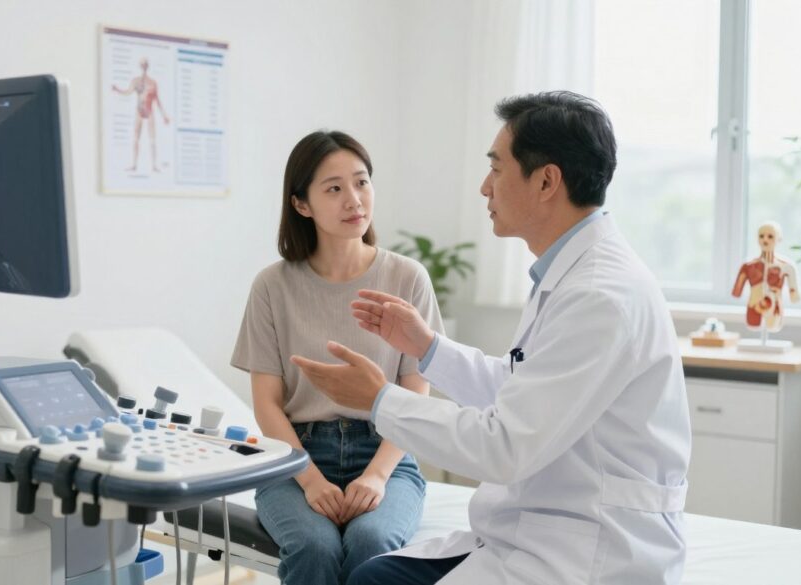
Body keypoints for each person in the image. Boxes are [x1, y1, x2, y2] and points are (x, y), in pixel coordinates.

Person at [292, 92, 692, 585]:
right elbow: (517, 386)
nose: (485, 188)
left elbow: (502, 447)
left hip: (591, 550)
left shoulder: (599, 296)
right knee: (376, 577)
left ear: (546, 180)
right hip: (537, 531)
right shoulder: (569, 274)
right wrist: (428, 346)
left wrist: (379, 400)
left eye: (497, 169)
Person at [231, 130, 444, 585]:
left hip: (385, 449)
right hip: (294, 457)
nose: (354, 199)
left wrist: (377, 477)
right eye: (334, 188)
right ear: (301, 205)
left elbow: (415, 393)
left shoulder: (407, 277)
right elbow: (267, 402)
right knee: (314, 546)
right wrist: (309, 479)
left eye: (362, 182)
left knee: (371, 543)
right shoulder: (272, 286)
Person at [732, 221, 800, 332]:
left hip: (774, 306)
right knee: (753, 325)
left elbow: (794, 294)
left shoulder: (786, 266)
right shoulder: (748, 266)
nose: (765, 240)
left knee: (773, 326)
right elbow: (737, 290)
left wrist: (794, 295)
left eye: (770, 236)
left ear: (778, 239)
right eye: (761, 236)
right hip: (754, 305)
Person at [111, 57, 170, 172]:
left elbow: (157, 100)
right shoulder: (136, 81)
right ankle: (134, 164)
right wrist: (117, 90)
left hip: (149, 111)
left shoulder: (153, 83)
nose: (144, 66)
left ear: (147, 66)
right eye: (142, 64)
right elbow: (128, 92)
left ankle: (153, 165)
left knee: (152, 139)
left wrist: (164, 116)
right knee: (136, 138)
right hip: (139, 111)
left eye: (145, 64)